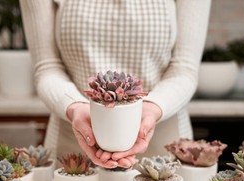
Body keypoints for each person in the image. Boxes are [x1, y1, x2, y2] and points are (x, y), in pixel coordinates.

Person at [20, 0, 211, 169]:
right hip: (73, 148)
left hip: (163, 148)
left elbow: (184, 68)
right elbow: (47, 66)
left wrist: (152, 108)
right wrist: (74, 107)